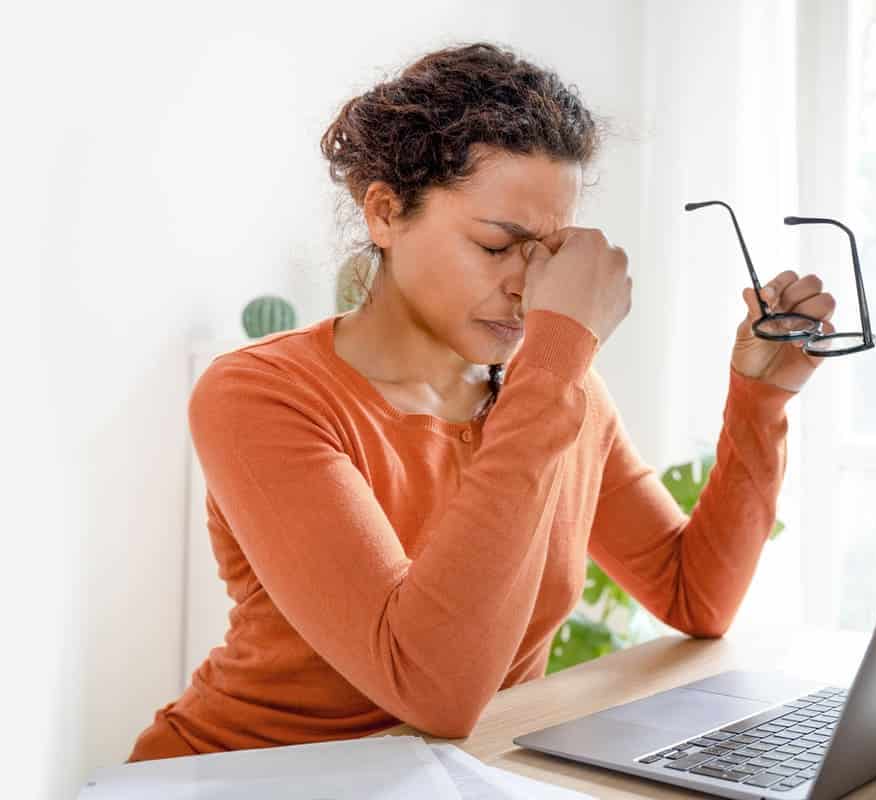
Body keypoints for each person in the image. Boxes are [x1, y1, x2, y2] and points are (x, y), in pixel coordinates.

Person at [127, 41, 836, 762]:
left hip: (450, 778)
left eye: (548, 253)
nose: (528, 287)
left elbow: (696, 597)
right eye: (499, 246)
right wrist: (555, 362)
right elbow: (433, 690)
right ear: (383, 212)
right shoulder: (261, 394)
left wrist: (762, 397)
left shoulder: (559, 394)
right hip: (246, 777)